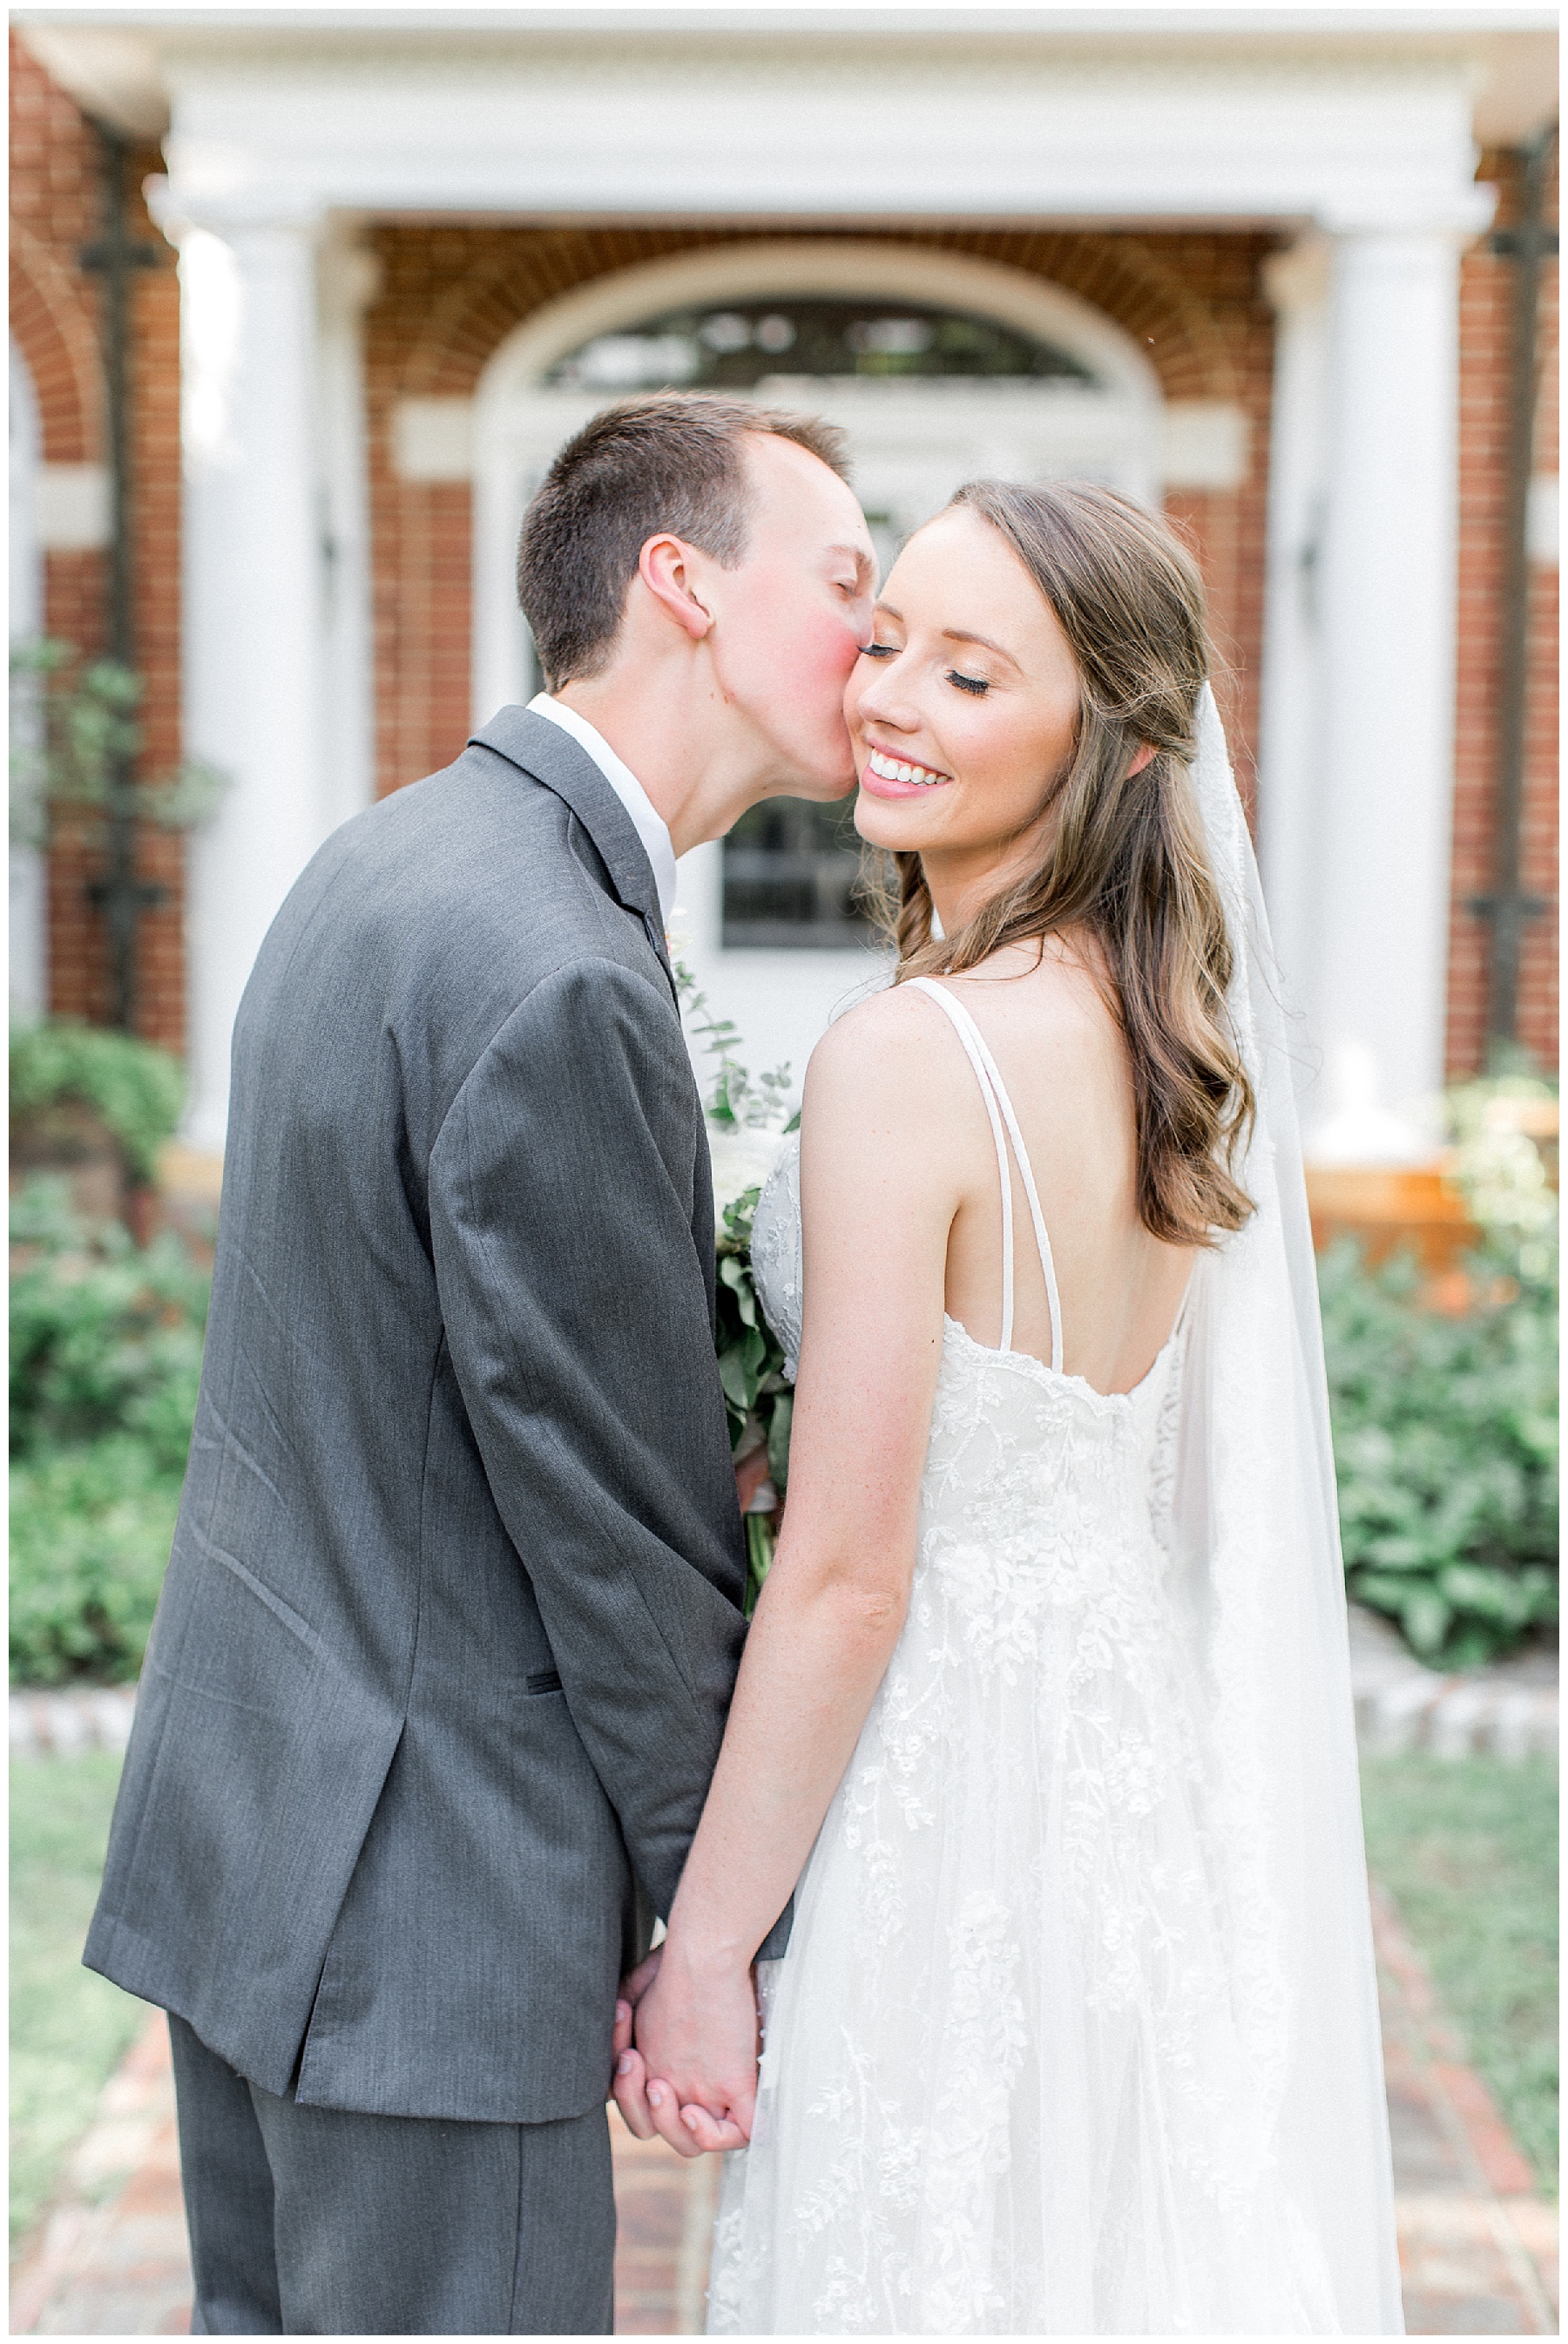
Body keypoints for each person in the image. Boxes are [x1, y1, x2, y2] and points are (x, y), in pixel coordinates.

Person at [84, 391, 876, 2336]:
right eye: (848, 581)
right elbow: (612, 1526)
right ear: (681, 585)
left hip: (258, 1843)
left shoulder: (388, 863)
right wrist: (721, 1934)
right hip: (433, 1914)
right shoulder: (561, 969)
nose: (873, 639)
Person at [613, 480, 1404, 2333]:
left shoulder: (909, 1058)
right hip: (1128, 1785)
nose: (890, 697)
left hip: (942, 1780)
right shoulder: (1168, 1047)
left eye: (971, 675)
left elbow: (851, 1574)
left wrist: (707, 1948)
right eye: (885, 640)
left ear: (1121, 752)